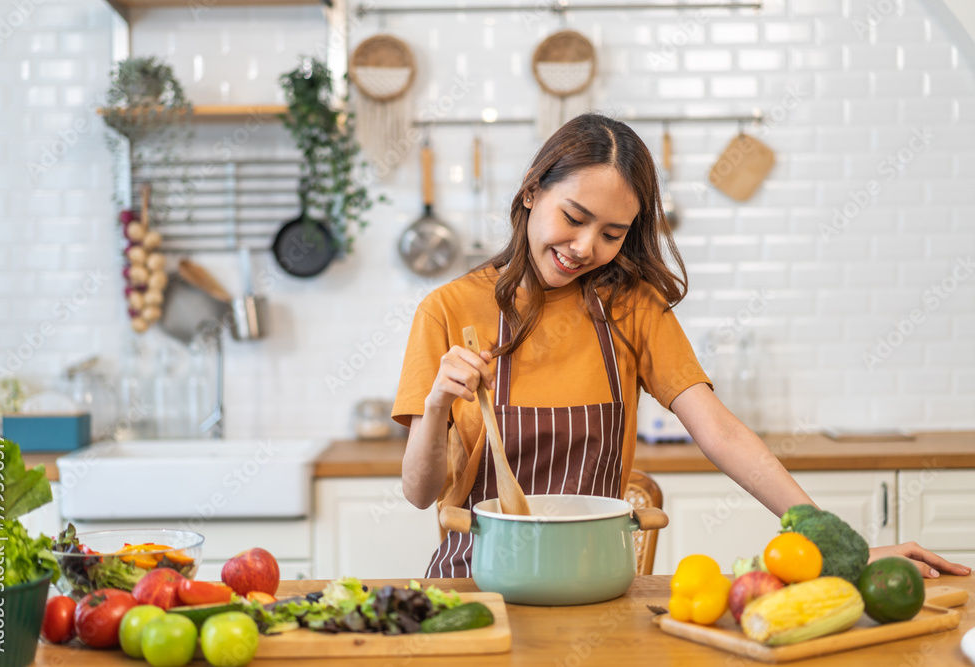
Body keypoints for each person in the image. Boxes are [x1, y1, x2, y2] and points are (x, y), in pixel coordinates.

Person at [392, 113, 971, 580]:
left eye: (612, 234)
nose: (585, 246)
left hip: (595, 582)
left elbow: (720, 433)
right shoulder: (447, 311)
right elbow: (420, 495)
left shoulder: (632, 307)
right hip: (473, 581)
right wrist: (438, 403)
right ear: (530, 193)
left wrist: (839, 547)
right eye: (574, 217)